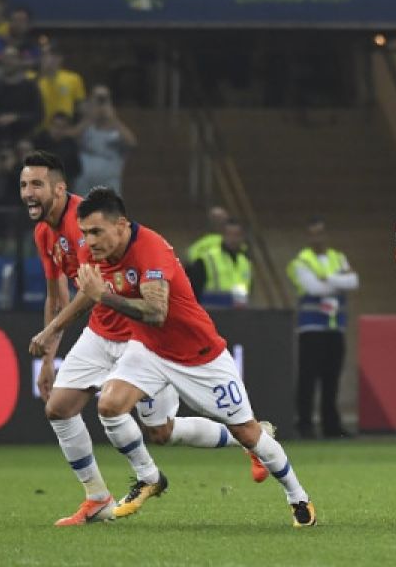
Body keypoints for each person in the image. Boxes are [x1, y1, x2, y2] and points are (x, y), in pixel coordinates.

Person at [23, 154, 273, 525]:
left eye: (36, 185)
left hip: (137, 335)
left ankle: (247, 437)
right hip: (101, 330)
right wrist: (47, 359)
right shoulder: (45, 232)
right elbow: (56, 295)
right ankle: (100, 496)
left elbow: (92, 291)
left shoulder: (85, 224)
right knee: (58, 408)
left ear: (59, 188)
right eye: (24, 185)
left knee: (160, 430)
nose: (28, 192)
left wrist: (49, 332)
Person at [75, 186, 317, 527]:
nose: (90, 241)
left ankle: (298, 497)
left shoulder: (152, 250)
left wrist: (103, 296)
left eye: (97, 231)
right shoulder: (92, 254)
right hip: (148, 350)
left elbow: (156, 311)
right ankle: (149, 478)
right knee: (116, 409)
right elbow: (92, 293)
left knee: (248, 433)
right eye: (85, 233)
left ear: (122, 225)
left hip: (199, 355)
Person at [289, 218, 357, 438]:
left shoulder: (338, 257)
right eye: (313, 234)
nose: (317, 238)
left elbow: (354, 281)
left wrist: (327, 278)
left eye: (320, 233)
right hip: (311, 328)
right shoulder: (301, 261)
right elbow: (313, 287)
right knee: (308, 378)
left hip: (335, 328)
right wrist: (338, 280)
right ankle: (305, 424)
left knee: (332, 379)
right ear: (308, 237)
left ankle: (331, 426)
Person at [73, 85, 136, 195]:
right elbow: (70, 138)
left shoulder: (117, 129)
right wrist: (90, 116)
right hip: (84, 185)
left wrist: (113, 118)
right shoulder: (86, 126)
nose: (101, 104)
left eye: (104, 99)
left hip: (109, 185)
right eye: (98, 99)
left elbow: (132, 142)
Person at [189, 218, 253, 306]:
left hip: (238, 312)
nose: (233, 239)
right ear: (223, 236)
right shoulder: (208, 259)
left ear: (242, 237)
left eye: (236, 235)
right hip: (212, 310)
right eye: (229, 234)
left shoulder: (245, 261)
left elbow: (249, 289)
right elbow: (193, 290)